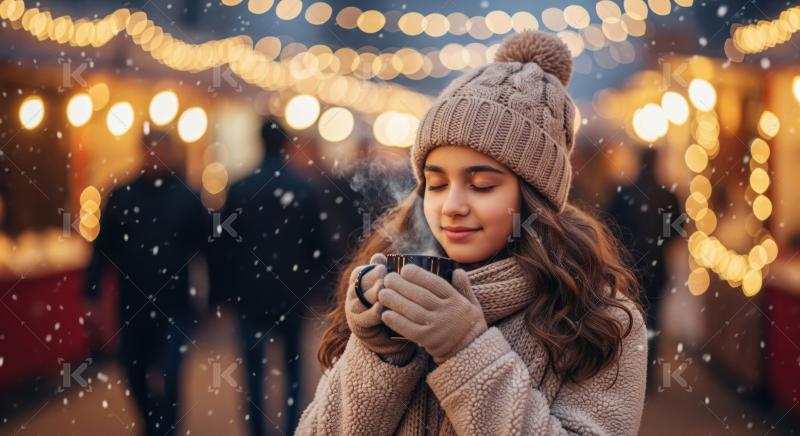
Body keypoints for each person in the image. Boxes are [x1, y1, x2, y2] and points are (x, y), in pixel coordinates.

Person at [297, 31, 647, 435]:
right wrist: (379, 355)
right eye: (437, 184)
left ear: (535, 198)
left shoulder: (597, 318)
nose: (452, 206)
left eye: (482, 185)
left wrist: (466, 350)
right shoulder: (394, 290)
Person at [84, 128, 208, 436]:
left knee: (170, 375)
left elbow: (208, 248)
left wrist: (214, 295)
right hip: (133, 304)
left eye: (160, 151)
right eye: (150, 150)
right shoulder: (121, 195)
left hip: (176, 305)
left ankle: (165, 429)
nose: (155, 157)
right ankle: (153, 425)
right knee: (134, 373)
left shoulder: (186, 196)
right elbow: (102, 250)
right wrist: (92, 292)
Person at [210, 117, 326, 436]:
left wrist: (220, 296)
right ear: (287, 144)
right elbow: (319, 244)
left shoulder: (239, 188)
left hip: (250, 294)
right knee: (292, 370)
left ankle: (258, 430)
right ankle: (293, 429)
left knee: (253, 375)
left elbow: (224, 249)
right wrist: (317, 289)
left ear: (259, 142)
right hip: (292, 293)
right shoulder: (304, 188)